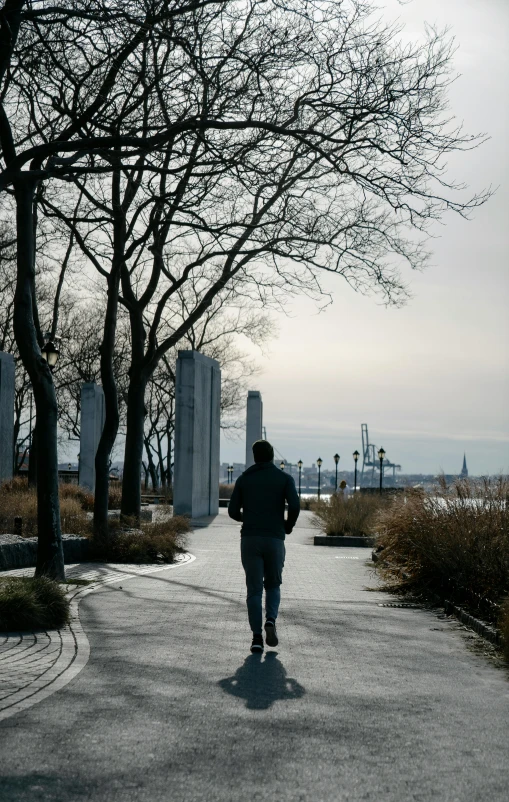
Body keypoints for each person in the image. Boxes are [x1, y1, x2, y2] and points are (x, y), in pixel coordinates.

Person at [228, 440, 300, 653]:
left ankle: (257, 638)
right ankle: (270, 619)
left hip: (250, 538)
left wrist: (247, 518)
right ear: (271, 457)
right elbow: (295, 505)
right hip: (275, 538)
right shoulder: (284, 479)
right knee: (273, 584)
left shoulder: (244, 479)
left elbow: (232, 511)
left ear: (254, 457)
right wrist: (288, 525)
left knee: (254, 590)